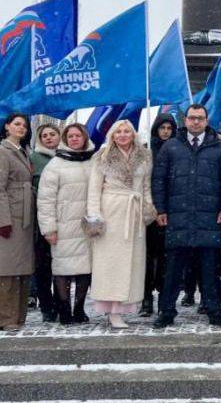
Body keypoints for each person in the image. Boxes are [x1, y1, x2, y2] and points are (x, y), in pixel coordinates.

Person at [152, 104, 221, 328]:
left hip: (209, 218)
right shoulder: (171, 146)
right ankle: (167, 312)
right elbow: (158, 180)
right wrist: (160, 209)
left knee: (210, 271)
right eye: (192, 118)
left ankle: (215, 312)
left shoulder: (220, 147)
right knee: (173, 272)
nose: (196, 122)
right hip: (178, 217)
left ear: (207, 120)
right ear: (185, 121)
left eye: (200, 118)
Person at [87, 120, 156, 328]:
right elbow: (94, 189)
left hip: (133, 214)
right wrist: (94, 216)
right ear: (113, 135)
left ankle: (124, 306)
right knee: (110, 263)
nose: (123, 135)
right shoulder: (102, 157)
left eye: (127, 131)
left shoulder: (144, 157)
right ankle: (111, 310)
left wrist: (147, 209)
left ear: (133, 134)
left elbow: (145, 187)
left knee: (131, 263)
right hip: (110, 212)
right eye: (119, 132)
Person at [37, 123, 96, 325]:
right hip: (63, 228)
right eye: (70, 136)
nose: (74, 139)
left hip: (87, 227)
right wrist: (49, 228)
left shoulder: (93, 162)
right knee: (62, 270)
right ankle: (63, 310)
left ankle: (79, 309)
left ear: (85, 138)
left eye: (78, 135)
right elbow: (45, 200)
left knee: (84, 270)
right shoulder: (55, 165)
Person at [0, 113, 36, 332]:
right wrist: (2, 220)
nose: (21, 128)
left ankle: (18, 315)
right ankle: (5, 317)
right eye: (17, 124)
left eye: (24, 126)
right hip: (10, 217)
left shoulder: (24, 152)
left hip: (25, 216)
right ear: (7, 127)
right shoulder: (1, 152)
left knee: (22, 266)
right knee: (7, 266)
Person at [140, 112, 177, 317]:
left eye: (169, 128)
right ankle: (146, 298)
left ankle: (165, 297)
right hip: (149, 210)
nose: (165, 132)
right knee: (146, 258)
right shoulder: (147, 152)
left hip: (171, 211)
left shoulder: (178, 149)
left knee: (166, 259)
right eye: (162, 128)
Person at [29, 123, 60, 322]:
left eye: (52, 134)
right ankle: (46, 306)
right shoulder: (32, 158)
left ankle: (61, 302)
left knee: (61, 266)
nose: (49, 138)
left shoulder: (67, 156)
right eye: (44, 135)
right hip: (41, 216)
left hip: (65, 217)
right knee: (43, 266)